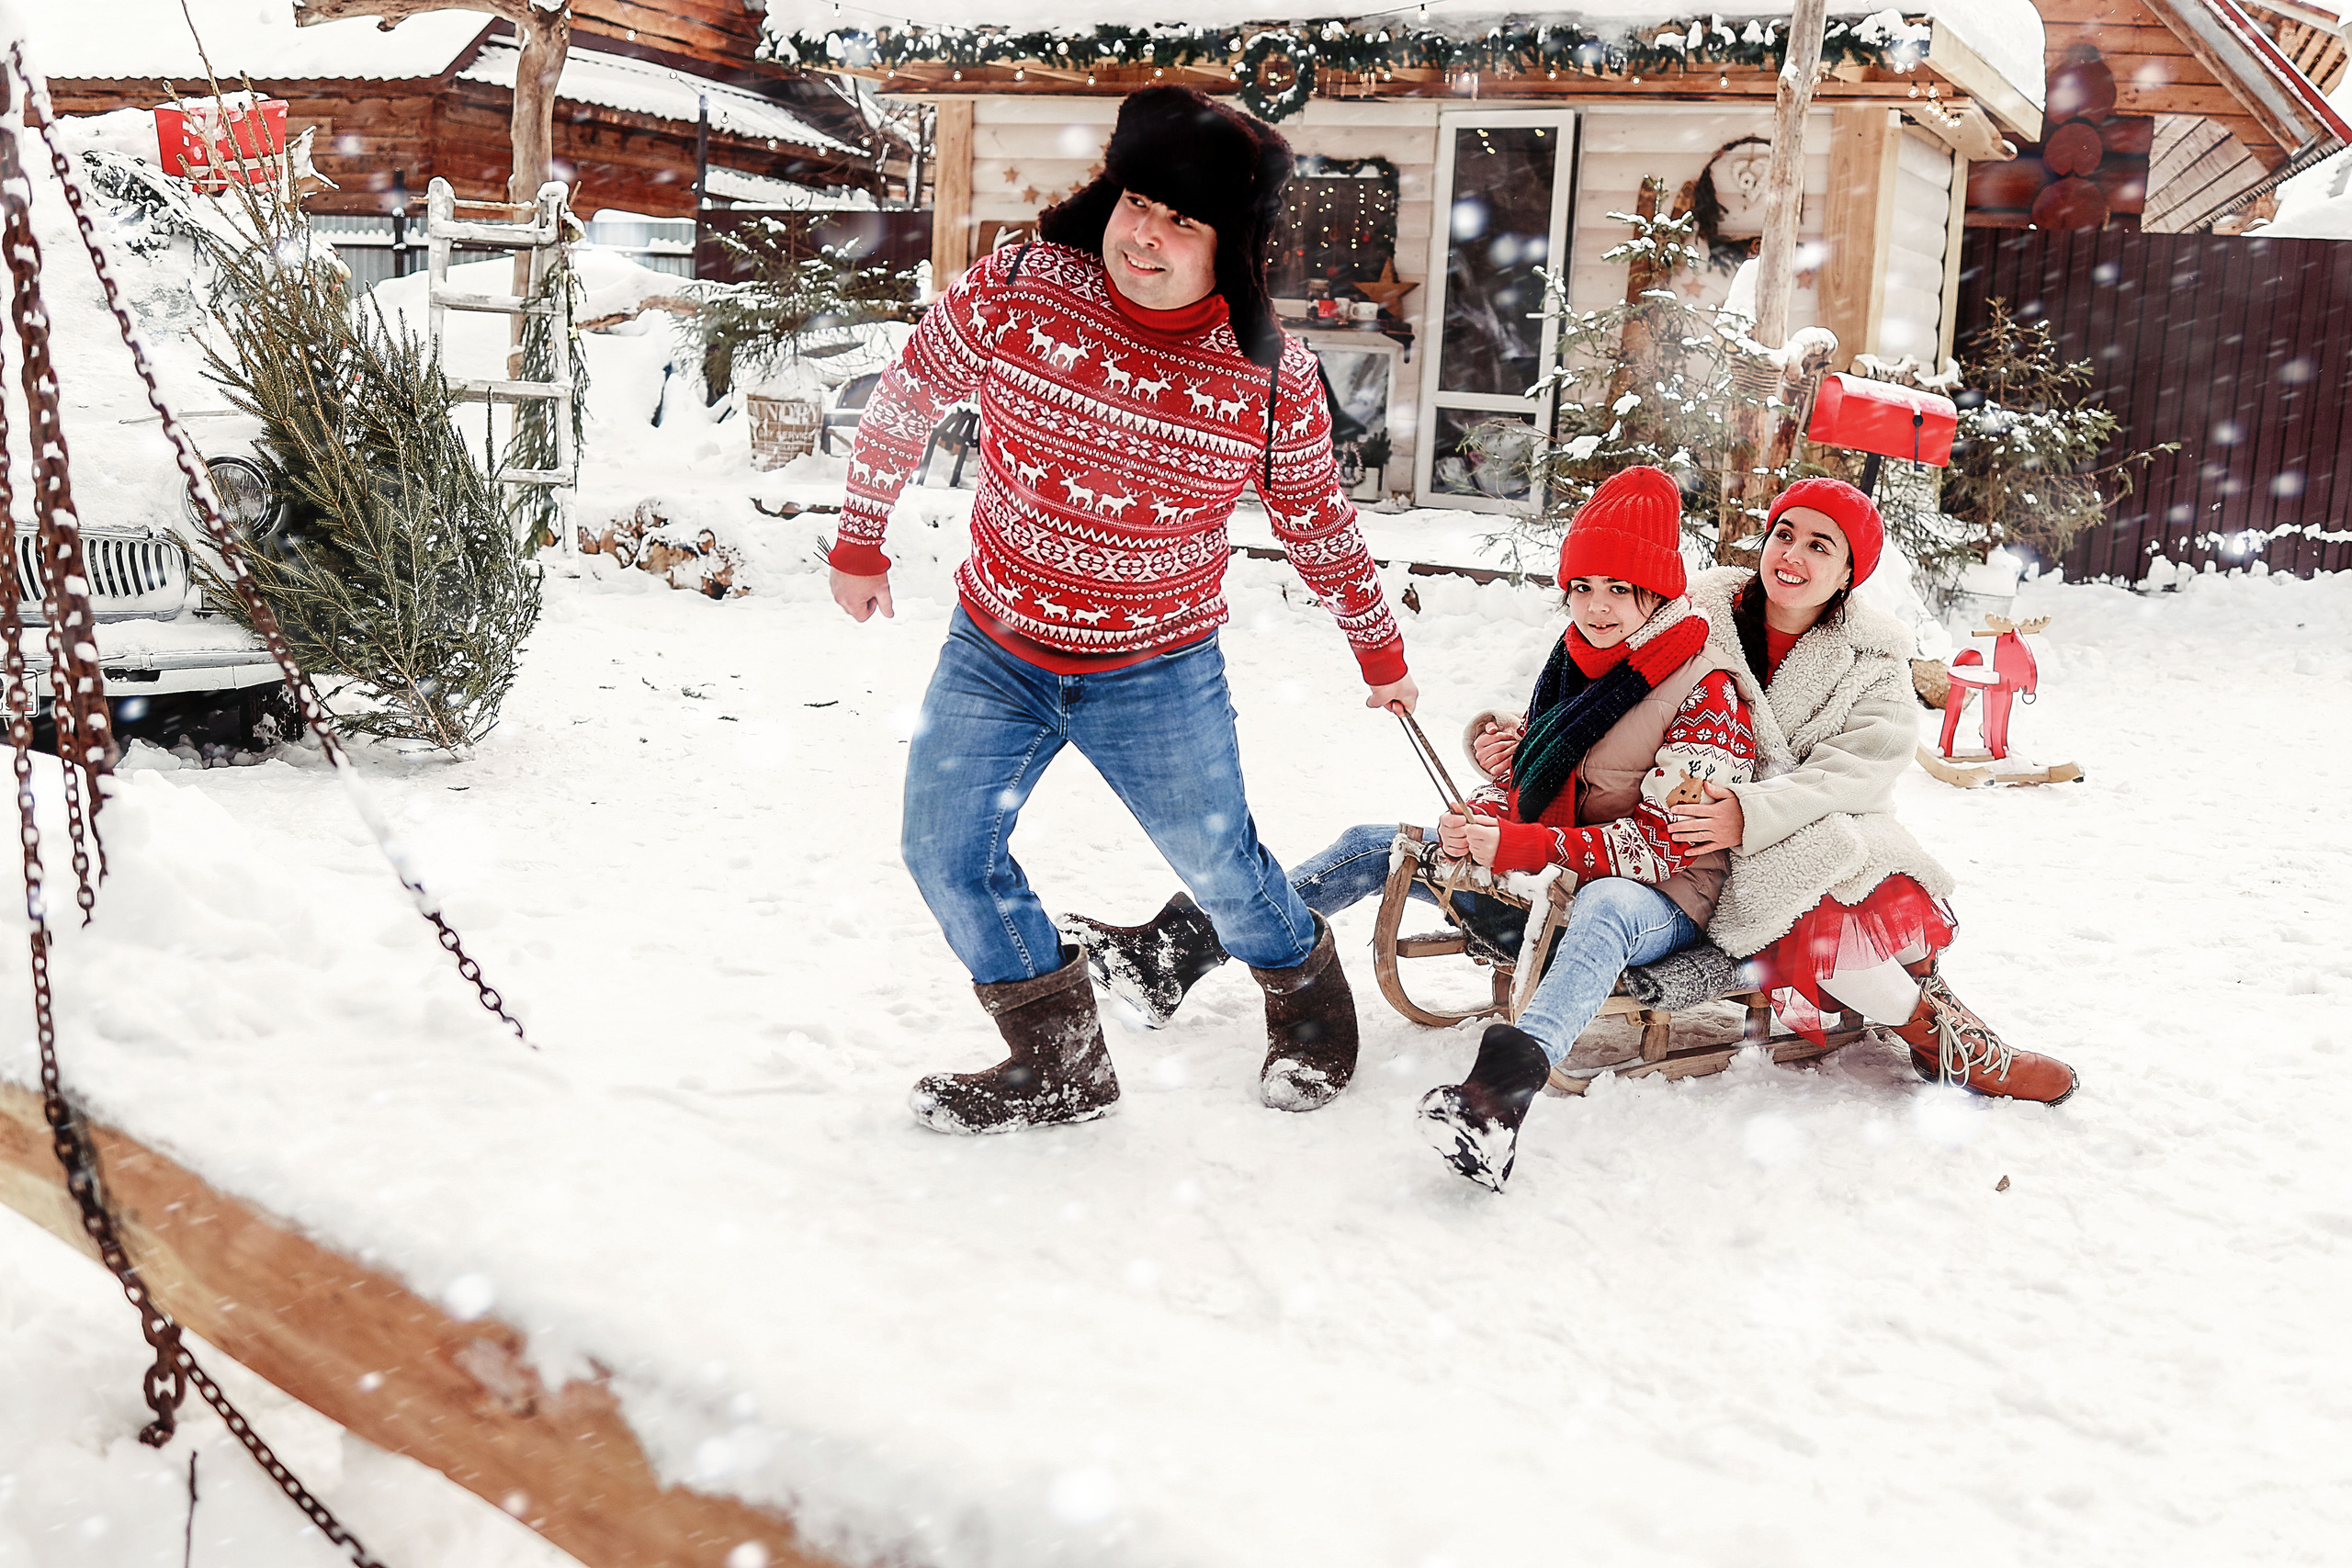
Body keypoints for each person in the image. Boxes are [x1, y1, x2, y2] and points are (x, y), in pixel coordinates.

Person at [827, 86, 1416, 1135]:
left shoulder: (1265, 374)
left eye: (1181, 220)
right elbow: (910, 390)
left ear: (1227, 245)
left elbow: (1318, 521)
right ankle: (1057, 1063)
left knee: (1221, 867)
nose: (1144, 235)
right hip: (994, 647)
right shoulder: (1019, 285)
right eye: (1137, 201)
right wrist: (861, 537)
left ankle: (1311, 1002)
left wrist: (1379, 651)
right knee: (944, 850)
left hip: (1156, 665)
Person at [1071, 466, 1757, 1190]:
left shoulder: (1706, 690)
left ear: (1659, 591)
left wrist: (1523, 841)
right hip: (1548, 871)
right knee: (1373, 842)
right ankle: (1177, 951)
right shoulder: (1577, 664)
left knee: (1604, 906)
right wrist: (1484, 809)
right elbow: (1544, 786)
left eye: (1619, 588)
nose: (1595, 606)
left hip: (1656, 898)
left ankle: (1495, 1102)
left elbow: (1669, 843)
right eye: (1582, 586)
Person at [1666, 478, 2078, 1104]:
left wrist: (1753, 813)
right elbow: (1614, 688)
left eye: (1819, 546)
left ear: (1847, 574)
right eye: (1784, 534)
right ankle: (1947, 1043)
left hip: (1801, 816)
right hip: (1693, 826)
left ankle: (1946, 1033)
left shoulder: (1873, 655)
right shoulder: (1697, 616)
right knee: (1812, 895)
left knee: (1878, 870)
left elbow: (1856, 770)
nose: (1792, 555)